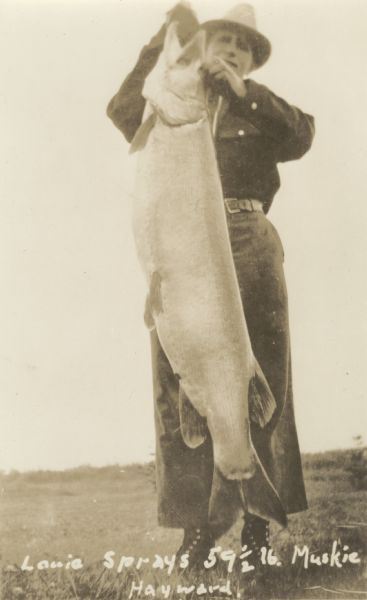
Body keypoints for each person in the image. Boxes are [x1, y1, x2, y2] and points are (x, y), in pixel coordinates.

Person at [107, 3, 315, 567]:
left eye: (240, 46)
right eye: (217, 40)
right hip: (183, 254)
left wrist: (243, 91)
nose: (226, 50)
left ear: (251, 59)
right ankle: (194, 527)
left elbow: (302, 135)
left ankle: (257, 525)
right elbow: (121, 106)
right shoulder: (167, 102)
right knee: (179, 387)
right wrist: (164, 36)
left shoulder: (263, 110)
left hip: (247, 241)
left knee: (262, 375)